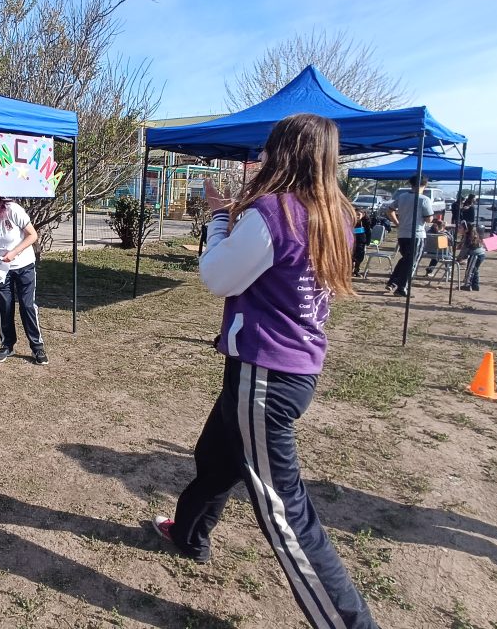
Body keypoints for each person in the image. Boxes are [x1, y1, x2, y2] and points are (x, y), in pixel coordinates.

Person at [151, 114, 379, 629]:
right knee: (215, 455)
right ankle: (189, 534)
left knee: (285, 513)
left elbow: (216, 276)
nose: (264, 159)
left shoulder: (275, 212)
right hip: (286, 369)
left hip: (265, 375)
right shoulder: (334, 212)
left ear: (285, 153)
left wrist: (216, 219)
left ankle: (349, 623)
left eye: (270, 150)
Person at [0, 181, 48, 365]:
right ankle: (7, 345)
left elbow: (32, 235)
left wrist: (14, 252)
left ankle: (37, 347)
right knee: (4, 307)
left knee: (27, 306)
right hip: (1, 269)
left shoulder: (13, 210)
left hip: (24, 265)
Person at [384, 175, 434, 297]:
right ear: (425, 185)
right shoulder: (424, 199)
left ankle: (393, 282)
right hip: (417, 234)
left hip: (402, 234)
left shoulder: (402, 197)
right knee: (412, 261)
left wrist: (397, 222)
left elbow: (389, 210)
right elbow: (429, 219)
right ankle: (402, 287)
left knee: (405, 259)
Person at [457, 224, 487, 291]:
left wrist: (459, 258)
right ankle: (475, 286)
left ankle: (467, 285)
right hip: (480, 254)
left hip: (476, 255)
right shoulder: (470, 235)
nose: (459, 229)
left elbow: (464, 250)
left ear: (466, 230)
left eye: (460, 228)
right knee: (475, 270)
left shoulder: (468, 238)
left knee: (470, 270)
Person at [352, 207, 371, 277]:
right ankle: (350, 269)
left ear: (363, 214)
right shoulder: (351, 221)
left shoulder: (365, 221)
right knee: (351, 257)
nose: (357, 216)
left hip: (361, 241)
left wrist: (368, 241)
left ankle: (356, 270)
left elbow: (368, 232)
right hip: (352, 241)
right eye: (355, 214)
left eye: (358, 214)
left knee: (360, 257)